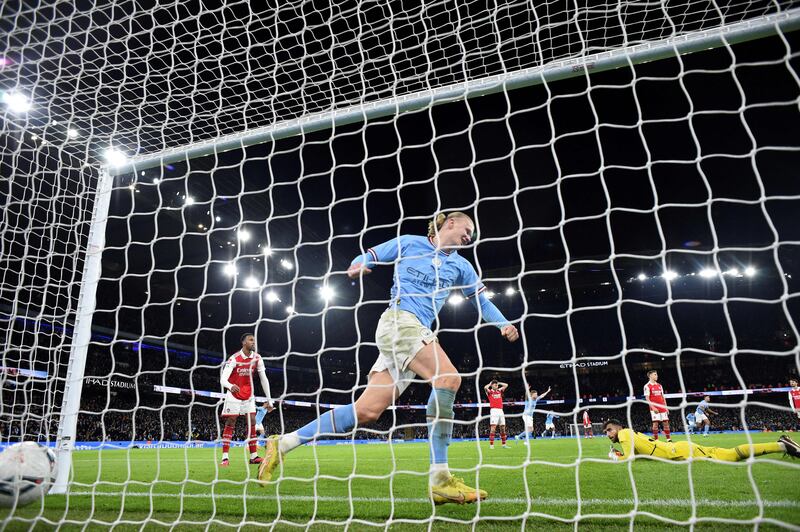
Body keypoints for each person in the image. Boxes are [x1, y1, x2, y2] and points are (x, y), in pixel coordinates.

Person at [258, 212, 519, 506]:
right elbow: (373, 253)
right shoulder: (410, 243)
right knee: (448, 379)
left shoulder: (462, 266)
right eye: (467, 229)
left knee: (367, 411)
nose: (470, 236)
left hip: (409, 333)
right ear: (450, 223)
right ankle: (440, 478)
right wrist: (361, 263)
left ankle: (284, 442)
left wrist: (503, 323)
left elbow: (482, 301)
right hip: (399, 322)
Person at [603, 419, 800, 461]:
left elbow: (629, 458)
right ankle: (782, 444)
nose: (608, 434)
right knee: (728, 454)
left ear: (618, 428)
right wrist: (619, 452)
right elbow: (636, 452)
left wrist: (615, 457)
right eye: (606, 432)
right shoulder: (628, 434)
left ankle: (782, 444)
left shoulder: (623, 434)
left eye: (609, 430)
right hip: (679, 449)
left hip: (680, 452)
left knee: (731, 456)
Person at [220, 333, 275, 466]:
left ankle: (254, 456)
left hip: (249, 395)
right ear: (243, 342)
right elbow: (223, 379)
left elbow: (264, 378)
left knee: (252, 421)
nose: (253, 342)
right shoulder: (234, 358)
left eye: (254, 340)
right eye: (251, 340)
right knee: (231, 422)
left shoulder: (257, 358)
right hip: (234, 394)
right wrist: (230, 386)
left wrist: (270, 399)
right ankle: (225, 457)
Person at [644, 370, 671, 442]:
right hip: (654, 408)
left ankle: (668, 439)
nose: (657, 376)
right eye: (655, 374)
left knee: (666, 423)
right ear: (650, 376)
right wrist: (653, 407)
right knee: (655, 424)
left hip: (662, 407)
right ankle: (656, 440)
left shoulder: (659, 385)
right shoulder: (647, 386)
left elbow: (663, 397)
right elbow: (647, 398)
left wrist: (666, 407)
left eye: (656, 374)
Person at [484, 380, 509, 449]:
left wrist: (499, 383)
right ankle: (491, 445)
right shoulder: (490, 392)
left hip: (501, 410)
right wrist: (490, 383)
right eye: (495, 385)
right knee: (493, 428)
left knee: (503, 428)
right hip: (494, 410)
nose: (496, 386)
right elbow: (485, 387)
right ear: (492, 385)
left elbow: (506, 385)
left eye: (497, 385)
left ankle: (504, 445)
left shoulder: (499, 391)